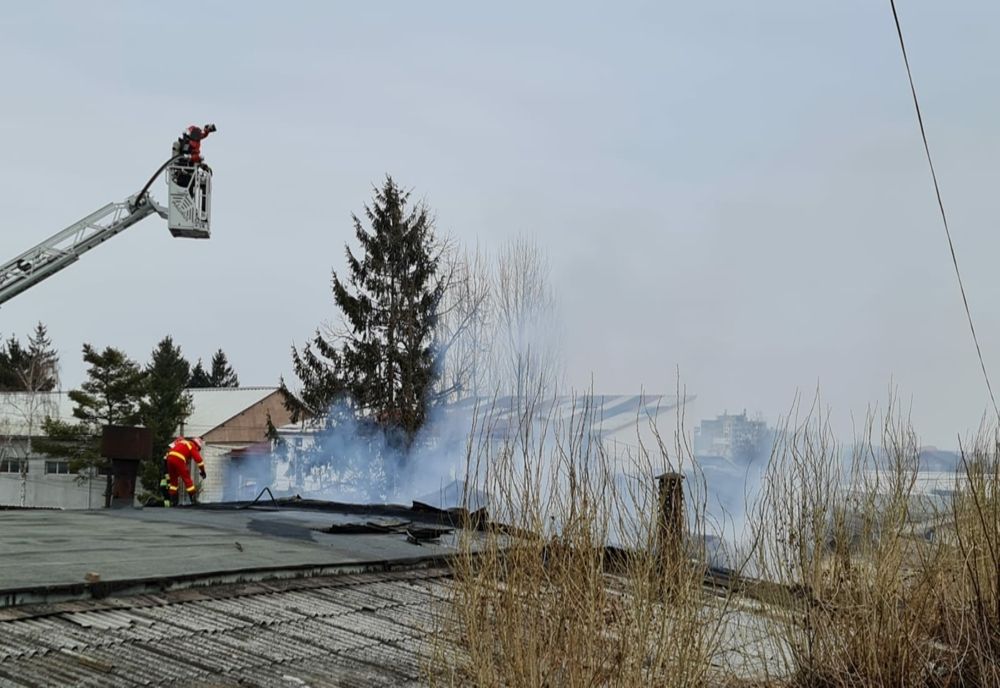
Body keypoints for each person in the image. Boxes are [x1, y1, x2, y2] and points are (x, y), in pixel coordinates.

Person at [162, 436, 207, 506]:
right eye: (198, 449)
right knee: (187, 478)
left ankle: (173, 501)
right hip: (178, 458)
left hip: (169, 458)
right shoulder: (192, 445)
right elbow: (199, 461)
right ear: (197, 445)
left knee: (173, 481)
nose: (197, 450)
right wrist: (203, 471)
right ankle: (193, 500)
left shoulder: (183, 443)